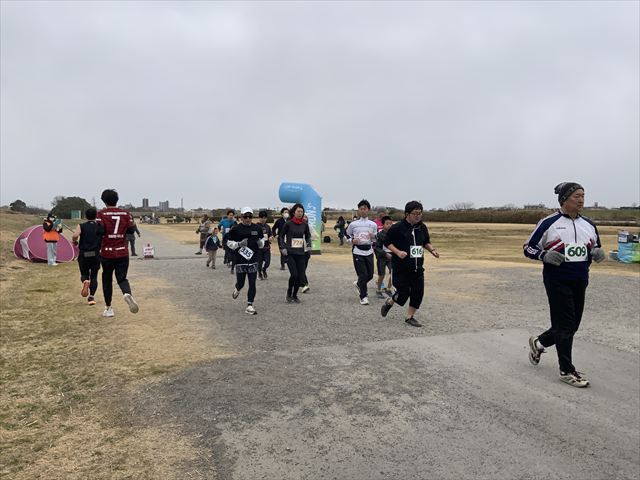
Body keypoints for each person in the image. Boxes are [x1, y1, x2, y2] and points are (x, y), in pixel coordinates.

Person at [524, 182, 604, 388]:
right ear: (564, 199)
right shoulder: (549, 222)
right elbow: (528, 247)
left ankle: (539, 343)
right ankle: (566, 371)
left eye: (583, 195)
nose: (581, 200)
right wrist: (543, 255)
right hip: (557, 280)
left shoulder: (589, 224)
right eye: (576, 196)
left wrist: (597, 253)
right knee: (566, 325)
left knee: (571, 325)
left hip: (580, 279)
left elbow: (596, 246)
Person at [381, 201, 439, 327]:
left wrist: (432, 250)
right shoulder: (397, 228)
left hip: (417, 266)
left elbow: (426, 242)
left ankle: (410, 317)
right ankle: (390, 302)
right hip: (401, 267)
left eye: (420, 213)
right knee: (404, 292)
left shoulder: (422, 227)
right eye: (415, 214)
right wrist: (397, 252)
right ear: (407, 214)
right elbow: (387, 242)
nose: (418, 216)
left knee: (418, 292)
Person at [96, 189, 139, 317]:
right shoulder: (126, 214)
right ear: (117, 199)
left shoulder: (101, 214)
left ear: (104, 200)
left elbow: (99, 231)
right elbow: (131, 230)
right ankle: (127, 293)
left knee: (107, 279)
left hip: (107, 252)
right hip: (122, 251)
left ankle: (109, 308)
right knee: (122, 278)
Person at [226, 207, 265, 315]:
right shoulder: (235, 229)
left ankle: (249, 305)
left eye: (250, 216)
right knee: (241, 283)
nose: (248, 219)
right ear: (241, 217)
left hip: (253, 259)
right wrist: (239, 244)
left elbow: (262, 241)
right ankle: (237, 289)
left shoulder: (257, 228)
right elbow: (228, 243)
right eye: (245, 216)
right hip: (240, 260)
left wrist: (260, 243)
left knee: (252, 283)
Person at [346, 199, 378, 305]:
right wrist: (352, 240)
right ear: (358, 210)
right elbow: (346, 234)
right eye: (361, 209)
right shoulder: (353, 224)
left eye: (365, 209)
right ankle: (363, 296)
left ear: (368, 210)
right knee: (363, 275)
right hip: (357, 251)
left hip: (369, 251)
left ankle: (359, 284)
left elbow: (376, 239)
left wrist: (374, 237)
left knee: (370, 275)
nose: (363, 210)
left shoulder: (373, 224)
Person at [279, 203, 311, 303]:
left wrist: (309, 244)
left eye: (302, 211)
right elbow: (281, 236)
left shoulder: (304, 224)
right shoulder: (288, 224)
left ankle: (295, 295)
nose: (300, 213)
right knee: (294, 275)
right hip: (290, 253)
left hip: (301, 253)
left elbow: (308, 236)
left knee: (300, 275)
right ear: (293, 212)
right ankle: (289, 293)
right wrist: (283, 247)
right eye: (298, 211)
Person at [72, 207, 103, 305]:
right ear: (96, 216)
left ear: (86, 216)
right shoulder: (100, 226)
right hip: (95, 254)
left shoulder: (81, 226)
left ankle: (85, 281)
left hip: (84, 253)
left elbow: (75, 235)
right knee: (94, 276)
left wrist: (75, 241)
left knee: (84, 273)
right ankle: (91, 297)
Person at [374, 215, 394, 298]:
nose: (389, 225)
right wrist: (385, 254)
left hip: (392, 257)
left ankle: (388, 289)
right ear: (383, 225)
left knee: (393, 273)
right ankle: (378, 290)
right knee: (382, 275)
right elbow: (376, 247)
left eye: (391, 223)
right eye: (387, 224)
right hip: (382, 257)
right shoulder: (379, 235)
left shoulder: (394, 234)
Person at [257, 210, 273, 280]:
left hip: (267, 247)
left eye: (265, 218)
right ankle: (259, 274)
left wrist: (271, 237)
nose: (263, 219)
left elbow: (271, 234)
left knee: (267, 262)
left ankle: (264, 270)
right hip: (259, 248)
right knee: (259, 263)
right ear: (259, 218)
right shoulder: (256, 226)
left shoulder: (268, 226)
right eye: (262, 218)